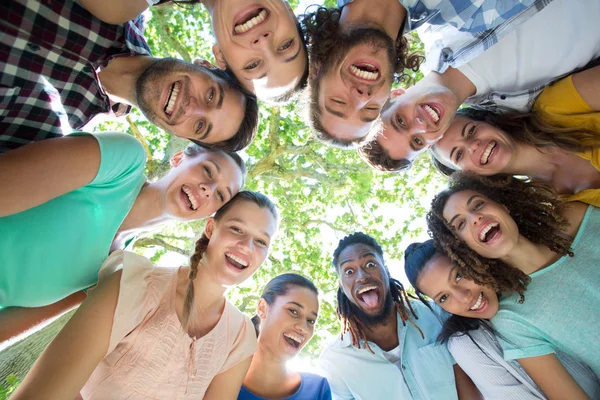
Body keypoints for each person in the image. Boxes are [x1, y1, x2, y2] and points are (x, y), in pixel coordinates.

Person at [11, 190, 279, 399]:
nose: (246, 246)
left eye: (261, 241)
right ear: (210, 230)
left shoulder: (242, 336)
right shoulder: (135, 283)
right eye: (236, 229)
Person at [0, 132, 246, 343]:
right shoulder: (123, 162)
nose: (208, 188)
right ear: (179, 158)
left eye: (221, 195)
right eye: (207, 170)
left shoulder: (115, 271)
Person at [358, 0, 600, 171]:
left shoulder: (436, 19)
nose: (420, 125)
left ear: (397, 94)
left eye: (401, 121)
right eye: (418, 142)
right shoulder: (519, 111)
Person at [0, 0, 259, 154]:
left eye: (200, 126)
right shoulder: (128, 7)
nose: (193, 107)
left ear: (179, 135)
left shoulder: (50, 136)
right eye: (212, 95)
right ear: (204, 64)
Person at [426, 172, 600, 394]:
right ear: (464, 248)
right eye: (460, 223)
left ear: (503, 205)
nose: (475, 218)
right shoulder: (510, 317)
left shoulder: (576, 215)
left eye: (478, 205)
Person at [302, 0, 553, 148]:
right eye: (370, 111)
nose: (361, 97)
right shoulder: (476, 15)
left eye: (339, 102)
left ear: (316, 70)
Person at [404, 239, 600, 399]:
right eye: (444, 297)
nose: (464, 297)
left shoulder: (528, 279)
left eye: (459, 276)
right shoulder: (467, 343)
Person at [319, 232, 480, 399]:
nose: (362, 276)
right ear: (341, 286)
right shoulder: (335, 362)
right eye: (349, 271)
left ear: (386, 270)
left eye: (370, 264)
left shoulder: (436, 314)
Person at [78, 0, 308, 103]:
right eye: (286, 45)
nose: (263, 43)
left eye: (252, 65)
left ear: (219, 57)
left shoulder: (116, 5)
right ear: (290, 11)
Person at [238, 273, 331, 400]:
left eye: (311, 321)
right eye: (293, 311)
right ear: (262, 308)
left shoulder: (317, 390)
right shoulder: (216, 376)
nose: (303, 328)